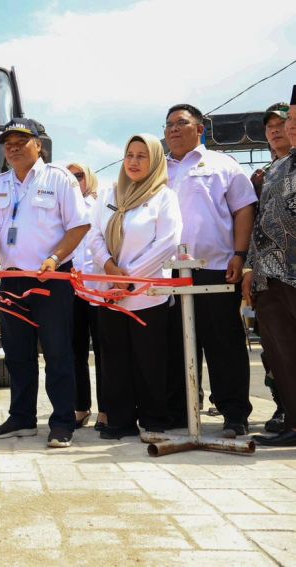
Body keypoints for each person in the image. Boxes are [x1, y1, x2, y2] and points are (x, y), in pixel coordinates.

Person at [0, 119, 90, 448]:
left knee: (58, 352)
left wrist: (55, 258)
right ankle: (22, 417)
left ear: (38, 145)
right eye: (8, 142)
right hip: (12, 279)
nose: (12, 147)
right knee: (16, 353)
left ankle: (62, 422)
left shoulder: (59, 178)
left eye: (21, 140)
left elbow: (79, 225)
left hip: (50, 278)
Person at [164, 103, 257, 437]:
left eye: (181, 123)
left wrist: (240, 255)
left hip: (216, 268)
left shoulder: (222, 164)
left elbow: (244, 209)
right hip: (168, 273)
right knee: (176, 344)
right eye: (169, 124)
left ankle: (234, 414)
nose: (173, 129)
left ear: (200, 129)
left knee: (223, 343)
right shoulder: (158, 170)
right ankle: (182, 412)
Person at [89, 134, 182, 439]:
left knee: (150, 360)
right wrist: (112, 271)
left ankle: (154, 418)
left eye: (142, 156)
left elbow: (167, 242)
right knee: (114, 360)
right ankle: (119, 421)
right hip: (110, 292)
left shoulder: (163, 196)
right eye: (130, 154)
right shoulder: (109, 193)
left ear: (155, 161)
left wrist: (130, 278)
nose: (134, 162)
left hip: (146, 294)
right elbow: (95, 237)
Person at [246, 87, 296, 447]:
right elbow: (258, 223)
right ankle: (292, 419)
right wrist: (250, 269)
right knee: (281, 354)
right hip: (270, 277)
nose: (281, 129)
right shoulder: (268, 173)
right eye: (275, 125)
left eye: (288, 121)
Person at [66, 162, 105, 430]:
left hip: (99, 287)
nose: (74, 180)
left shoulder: (102, 204)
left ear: (89, 177)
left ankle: (108, 409)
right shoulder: (61, 206)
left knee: (105, 351)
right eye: (68, 176)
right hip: (69, 288)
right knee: (74, 351)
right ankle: (80, 406)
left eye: (78, 175)